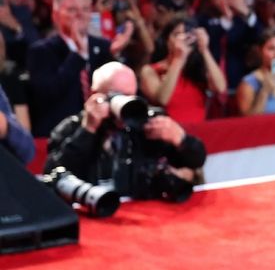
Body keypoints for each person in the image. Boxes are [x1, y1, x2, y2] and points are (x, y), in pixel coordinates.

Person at [45, 61, 206, 202]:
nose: (126, 104)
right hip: (95, 211)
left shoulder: (147, 123)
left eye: (131, 96)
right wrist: (88, 130)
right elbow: (54, 176)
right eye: (118, 96)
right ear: (94, 95)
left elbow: (196, 160)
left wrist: (181, 139)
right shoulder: (71, 128)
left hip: (144, 213)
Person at [26, 0, 134, 137]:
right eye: (72, 10)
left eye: (85, 9)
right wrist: (78, 55)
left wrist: (116, 56)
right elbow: (45, 95)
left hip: (100, 135)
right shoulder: (41, 51)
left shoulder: (103, 47)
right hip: (60, 134)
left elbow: (121, 89)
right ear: (55, 15)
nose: (80, 15)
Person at [140, 16, 227, 127]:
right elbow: (162, 99)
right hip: (167, 134)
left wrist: (205, 49)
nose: (183, 38)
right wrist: (178, 59)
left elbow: (220, 87)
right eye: (177, 34)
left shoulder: (196, 68)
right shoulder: (150, 70)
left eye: (187, 33)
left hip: (199, 133)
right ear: (167, 41)